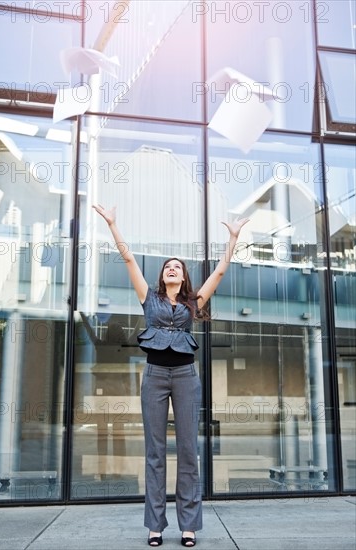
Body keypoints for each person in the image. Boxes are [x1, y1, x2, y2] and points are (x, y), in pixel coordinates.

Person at [93, 204, 248, 548]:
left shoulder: (194, 302)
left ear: (183, 276)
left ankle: (189, 525)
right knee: (155, 452)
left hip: (185, 377)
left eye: (177, 267)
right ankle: (155, 526)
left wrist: (232, 239)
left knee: (189, 451)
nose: (172, 269)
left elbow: (220, 272)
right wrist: (113, 225)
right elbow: (129, 260)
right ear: (162, 276)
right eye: (167, 267)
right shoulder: (149, 299)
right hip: (155, 376)